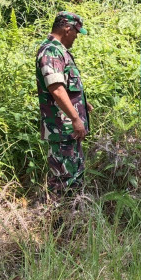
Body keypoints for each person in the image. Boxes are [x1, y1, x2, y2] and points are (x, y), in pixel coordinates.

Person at [36, 11, 91, 195]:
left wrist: (82, 103)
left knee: (73, 175)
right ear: (67, 29)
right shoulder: (51, 51)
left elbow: (66, 87)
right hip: (61, 127)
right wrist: (75, 118)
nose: (76, 37)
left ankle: (72, 218)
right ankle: (60, 220)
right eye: (76, 32)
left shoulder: (59, 51)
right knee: (64, 180)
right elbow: (57, 89)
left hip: (68, 130)